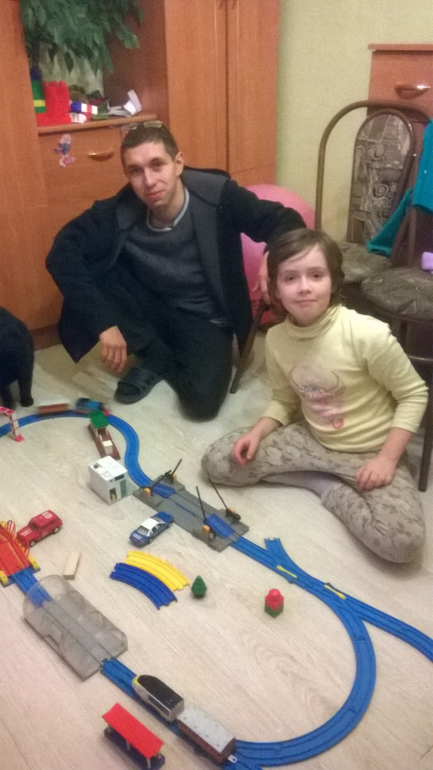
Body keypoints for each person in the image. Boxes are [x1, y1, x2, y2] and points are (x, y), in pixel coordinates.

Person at [46, 121, 305, 419]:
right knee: (92, 266)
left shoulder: (218, 195)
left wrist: (272, 257)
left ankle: (160, 358)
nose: (149, 180)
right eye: (136, 171)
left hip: (204, 316)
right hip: (149, 303)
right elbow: (62, 253)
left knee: (202, 404)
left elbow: (287, 220)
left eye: (157, 165)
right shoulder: (120, 209)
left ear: (178, 163)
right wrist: (104, 324)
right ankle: (155, 354)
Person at [201, 228, 428, 562]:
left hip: (371, 449)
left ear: (333, 282)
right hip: (313, 439)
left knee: (402, 543)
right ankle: (316, 478)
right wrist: (257, 432)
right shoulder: (277, 339)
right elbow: (284, 400)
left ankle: (326, 487)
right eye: (290, 278)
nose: (304, 287)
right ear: (276, 290)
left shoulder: (367, 334)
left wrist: (388, 459)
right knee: (217, 463)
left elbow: (414, 394)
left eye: (316, 275)